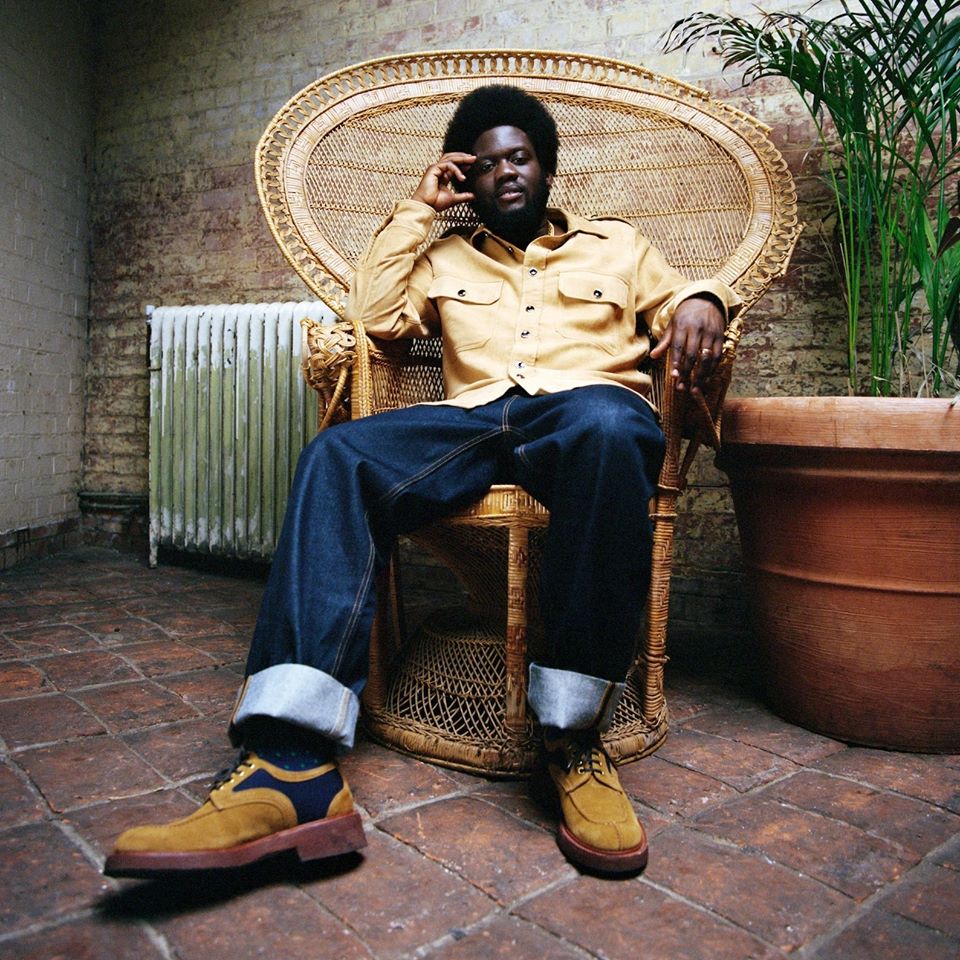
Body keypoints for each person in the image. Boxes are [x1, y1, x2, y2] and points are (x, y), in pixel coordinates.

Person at [105, 85, 740, 879]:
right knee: (338, 456)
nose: (506, 172)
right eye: (488, 164)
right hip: (472, 422)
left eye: (521, 158)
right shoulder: (444, 254)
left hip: (582, 416)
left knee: (616, 428)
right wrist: (418, 210)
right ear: (468, 180)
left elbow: (679, 302)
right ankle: (290, 764)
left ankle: (572, 740)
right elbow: (374, 318)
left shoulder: (618, 246)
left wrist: (705, 300)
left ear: (546, 169)